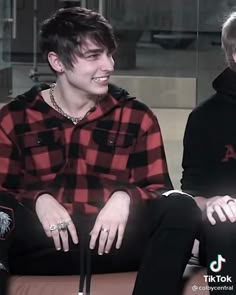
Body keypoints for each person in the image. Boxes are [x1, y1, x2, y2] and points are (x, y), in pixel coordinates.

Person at [0, 7, 200, 295]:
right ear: (57, 61)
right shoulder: (15, 117)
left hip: (116, 244)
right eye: (94, 56)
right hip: (42, 246)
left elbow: (159, 191)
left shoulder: (136, 116)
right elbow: (3, 192)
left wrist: (124, 196)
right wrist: (38, 198)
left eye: (109, 54)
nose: (108, 65)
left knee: (181, 206)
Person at [181, 11, 236, 294]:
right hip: (225, 231)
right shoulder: (204, 117)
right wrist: (212, 203)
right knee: (222, 223)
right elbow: (191, 192)